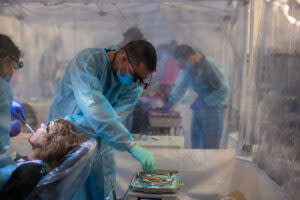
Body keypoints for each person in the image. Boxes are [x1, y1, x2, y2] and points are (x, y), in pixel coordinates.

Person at [47, 40, 157, 200]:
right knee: (69, 192)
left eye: (141, 80)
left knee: (103, 191)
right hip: (65, 140)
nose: (136, 83)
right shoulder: (87, 62)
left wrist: (84, 125)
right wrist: (130, 144)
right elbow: (94, 107)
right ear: (123, 58)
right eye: (135, 76)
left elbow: (114, 119)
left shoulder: (134, 87)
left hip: (100, 144)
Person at [163, 44, 230, 149]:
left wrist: (205, 102)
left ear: (189, 58)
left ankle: (209, 166)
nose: (182, 66)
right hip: (200, 108)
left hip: (214, 110)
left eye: (182, 62)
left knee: (210, 147)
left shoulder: (209, 65)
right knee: (196, 145)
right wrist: (171, 101)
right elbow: (182, 86)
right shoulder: (190, 68)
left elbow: (224, 89)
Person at [0, 119, 87, 199]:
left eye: (46, 127)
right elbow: (16, 162)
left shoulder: (27, 173)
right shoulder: (38, 165)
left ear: (49, 143)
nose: (41, 124)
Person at [0, 34, 26, 156]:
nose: (13, 72)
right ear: (4, 59)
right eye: (14, 66)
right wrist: (7, 127)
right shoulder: (2, 88)